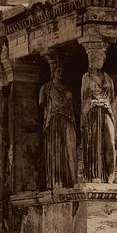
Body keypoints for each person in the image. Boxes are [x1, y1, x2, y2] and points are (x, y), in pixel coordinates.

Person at [39, 61, 77, 189]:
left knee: (68, 149)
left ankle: (69, 180)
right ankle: (56, 180)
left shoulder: (68, 90)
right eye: (57, 70)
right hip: (53, 120)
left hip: (67, 119)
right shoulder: (46, 88)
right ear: (53, 72)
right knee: (55, 149)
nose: (60, 73)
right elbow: (42, 106)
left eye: (62, 70)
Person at [81, 47, 116, 183]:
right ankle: (95, 175)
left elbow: (112, 97)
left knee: (110, 142)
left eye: (101, 59)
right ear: (91, 60)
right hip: (93, 112)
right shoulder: (86, 77)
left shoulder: (108, 78)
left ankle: (110, 174)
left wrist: (104, 104)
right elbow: (84, 97)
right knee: (95, 143)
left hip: (106, 111)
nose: (99, 61)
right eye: (96, 58)